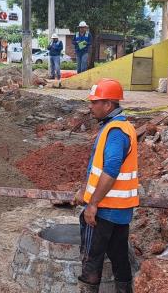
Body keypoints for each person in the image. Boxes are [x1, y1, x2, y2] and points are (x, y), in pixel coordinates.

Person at [71, 78, 137, 293]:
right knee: (120, 258)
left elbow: (110, 170)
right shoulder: (121, 127)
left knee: (92, 259)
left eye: (94, 102)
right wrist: (84, 190)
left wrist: (92, 204)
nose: (90, 107)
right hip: (120, 211)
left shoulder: (115, 132)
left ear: (108, 105)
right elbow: (97, 169)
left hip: (104, 211)